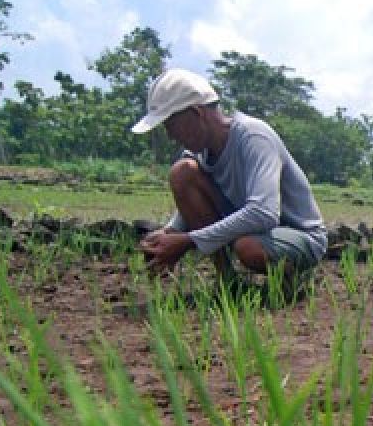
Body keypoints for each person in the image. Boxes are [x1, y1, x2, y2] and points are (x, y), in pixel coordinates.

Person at [131, 68, 327, 282]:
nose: (170, 136)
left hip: (297, 234)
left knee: (248, 248)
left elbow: (264, 213)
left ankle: (293, 282)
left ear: (197, 113)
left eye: (171, 125)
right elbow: (190, 202)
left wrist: (187, 241)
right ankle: (228, 282)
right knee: (182, 173)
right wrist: (169, 232)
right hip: (250, 231)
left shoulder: (253, 137)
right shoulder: (198, 152)